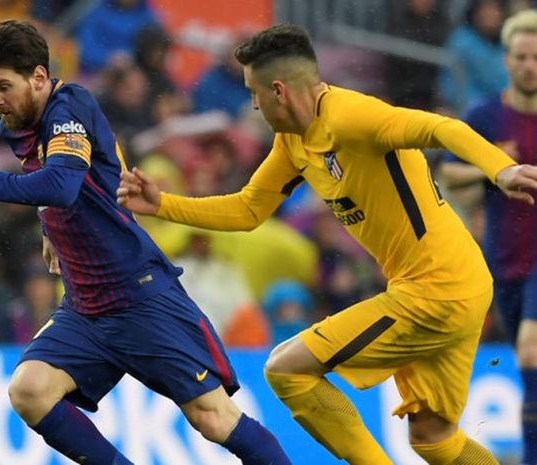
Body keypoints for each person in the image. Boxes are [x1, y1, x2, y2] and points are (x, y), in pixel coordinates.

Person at [117, 23, 537, 465]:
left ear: (278, 90)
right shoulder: (294, 140)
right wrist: (162, 204)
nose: (252, 104)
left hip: (437, 288)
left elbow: (441, 128)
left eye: (254, 93)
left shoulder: (350, 116)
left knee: (286, 369)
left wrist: (501, 169)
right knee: (434, 438)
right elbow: (248, 210)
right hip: (459, 282)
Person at [0, 20, 292, 465]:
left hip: (139, 296)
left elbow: (60, 184)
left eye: (3, 86)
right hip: (86, 304)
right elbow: (71, 183)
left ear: (39, 77)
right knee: (30, 390)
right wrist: (49, 227)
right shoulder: (16, 121)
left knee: (213, 418)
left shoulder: (69, 107)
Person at [441, 9, 537, 465]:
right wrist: (492, 165)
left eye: (536, 57)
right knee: (528, 363)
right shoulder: (485, 116)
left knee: (531, 349)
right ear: (506, 60)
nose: (529, 66)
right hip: (507, 259)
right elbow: (448, 175)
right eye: (521, 56)